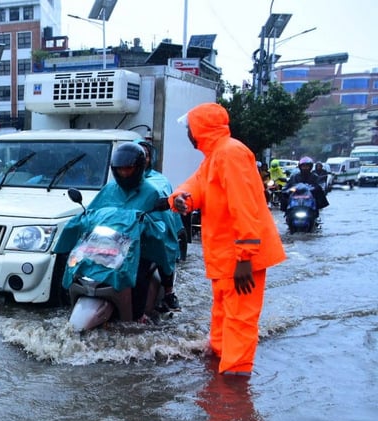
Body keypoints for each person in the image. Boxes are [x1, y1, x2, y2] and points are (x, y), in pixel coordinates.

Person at [170, 103, 286, 377]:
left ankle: (234, 386)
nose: (188, 133)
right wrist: (178, 200)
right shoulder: (214, 157)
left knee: (240, 319)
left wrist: (245, 259)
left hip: (240, 258)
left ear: (199, 129)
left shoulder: (230, 153)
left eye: (189, 128)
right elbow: (194, 187)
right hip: (225, 258)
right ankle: (219, 368)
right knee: (223, 314)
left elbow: (244, 207)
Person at [86, 142, 178, 321]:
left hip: (141, 245)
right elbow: (93, 212)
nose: (124, 173)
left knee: (140, 274)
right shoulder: (109, 189)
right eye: (120, 170)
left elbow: (162, 225)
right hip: (111, 242)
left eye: (128, 169)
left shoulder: (152, 191)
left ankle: (139, 315)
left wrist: (147, 226)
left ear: (139, 167)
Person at [136, 139, 183, 311]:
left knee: (164, 247)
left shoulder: (160, 180)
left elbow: (167, 206)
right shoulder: (120, 179)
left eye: (146, 156)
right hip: (130, 228)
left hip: (157, 227)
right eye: (140, 155)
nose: (143, 159)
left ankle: (169, 293)